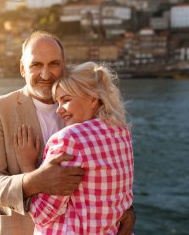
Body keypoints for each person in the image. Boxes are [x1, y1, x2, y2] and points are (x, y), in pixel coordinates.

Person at [0, 31, 135, 235]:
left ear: (64, 66)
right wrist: (33, 181)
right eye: (36, 65)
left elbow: (111, 169)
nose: (45, 74)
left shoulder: (86, 106)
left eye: (53, 64)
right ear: (22, 69)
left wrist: (128, 211)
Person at [14, 62, 134, 234]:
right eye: (57, 102)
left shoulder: (69, 139)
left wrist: (27, 166)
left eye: (66, 100)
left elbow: (42, 215)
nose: (58, 110)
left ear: (93, 98)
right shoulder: (122, 132)